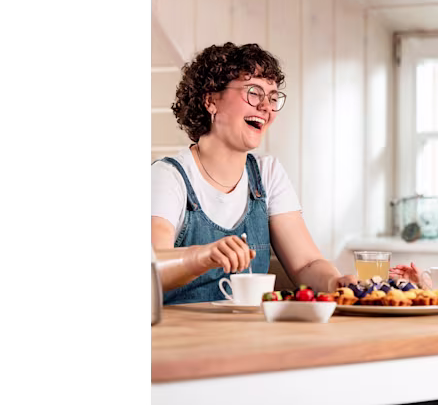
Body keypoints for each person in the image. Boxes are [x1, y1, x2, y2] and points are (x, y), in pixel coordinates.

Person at [151, 42, 357, 305]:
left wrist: (333, 282)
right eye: (254, 93)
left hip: (249, 337)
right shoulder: (169, 176)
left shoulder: (267, 173)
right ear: (210, 100)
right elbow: (153, 264)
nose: (266, 107)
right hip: (182, 340)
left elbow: (306, 263)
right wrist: (200, 257)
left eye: (272, 97)